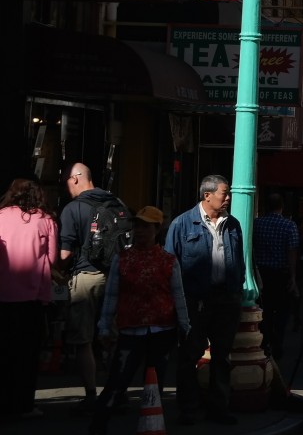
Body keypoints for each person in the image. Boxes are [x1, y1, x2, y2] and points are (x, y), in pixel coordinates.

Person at [90, 206, 191, 435]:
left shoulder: (168, 261)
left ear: (157, 229)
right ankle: (98, 426)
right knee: (117, 381)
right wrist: (105, 325)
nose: (141, 230)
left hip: (162, 329)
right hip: (130, 329)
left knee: (155, 383)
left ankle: (150, 425)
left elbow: (178, 295)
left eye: (146, 226)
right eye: (138, 225)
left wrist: (184, 324)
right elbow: (112, 294)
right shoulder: (122, 259)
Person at [165, 175, 245, 426]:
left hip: (226, 298)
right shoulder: (182, 224)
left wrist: (237, 288)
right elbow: (170, 264)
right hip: (195, 300)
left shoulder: (233, 225)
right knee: (189, 355)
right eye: (224, 193)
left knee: (222, 355)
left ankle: (219, 408)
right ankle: (189, 409)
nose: (228, 198)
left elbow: (239, 259)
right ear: (207, 195)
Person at [58, 162, 125, 412]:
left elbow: (65, 254)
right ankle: (117, 391)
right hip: (117, 277)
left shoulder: (72, 208)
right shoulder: (117, 203)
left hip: (86, 276)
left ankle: (90, 395)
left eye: (66, 181)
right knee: (115, 336)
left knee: (83, 338)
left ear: (75, 179)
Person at [0, 178, 59, 419]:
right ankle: (24, 405)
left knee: (4, 352)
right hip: (32, 298)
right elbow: (53, 258)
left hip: (3, 296)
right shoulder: (45, 220)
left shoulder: (0, 215)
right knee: (27, 354)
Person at [253, 193, 298, 359]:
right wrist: (293, 277)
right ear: (282, 207)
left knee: (264, 309)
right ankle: (277, 343)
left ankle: (265, 341)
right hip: (281, 274)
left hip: (261, 273)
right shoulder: (289, 226)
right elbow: (292, 251)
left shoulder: (257, 224)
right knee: (281, 312)